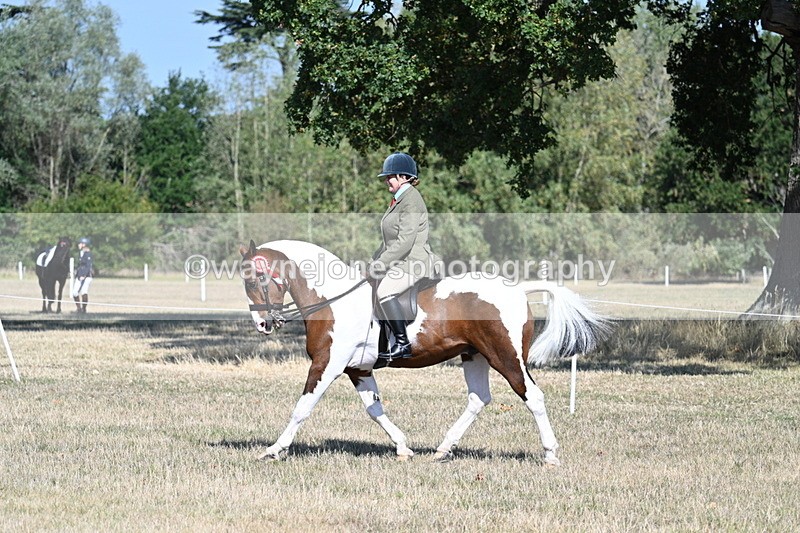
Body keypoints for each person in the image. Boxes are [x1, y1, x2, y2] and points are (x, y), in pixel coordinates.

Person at [368, 152, 441, 360]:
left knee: (385, 291)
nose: (386, 181)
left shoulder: (411, 201)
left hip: (413, 262)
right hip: (400, 261)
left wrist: (380, 264)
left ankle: (402, 343)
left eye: (390, 177)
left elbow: (405, 241)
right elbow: (389, 241)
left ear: (403, 177)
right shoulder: (399, 200)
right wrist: (374, 260)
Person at [72, 237, 94, 313]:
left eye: (80, 243)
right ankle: (79, 308)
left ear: (84, 245)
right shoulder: (80, 253)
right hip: (79, 275)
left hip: (86, 276)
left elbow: (88, 266)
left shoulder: (88, 254)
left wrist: (84, 275)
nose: (78, 245)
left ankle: (84, 309)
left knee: (84, 291)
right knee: (75, 292)